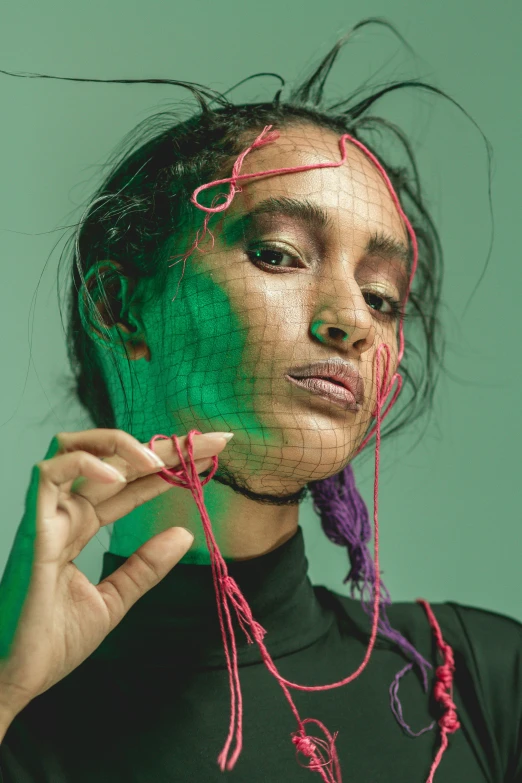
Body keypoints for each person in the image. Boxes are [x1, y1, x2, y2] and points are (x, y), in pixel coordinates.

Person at [0, 21, 520, 783]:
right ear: (119, 305)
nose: (349, 319)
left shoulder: (477, 682)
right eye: (278, 253)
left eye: (382, 297)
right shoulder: (22, 714)